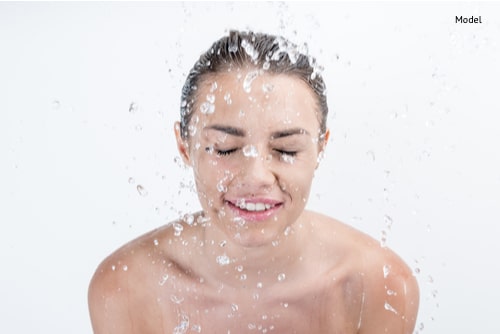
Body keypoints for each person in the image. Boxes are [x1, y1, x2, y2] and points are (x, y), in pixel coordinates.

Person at [88, 30, 419, 334]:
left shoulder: (379, 286)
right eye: (225, 148)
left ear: (320, 148)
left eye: (286, 149)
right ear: (184, 146)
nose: (256, 177)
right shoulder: (128, 287)